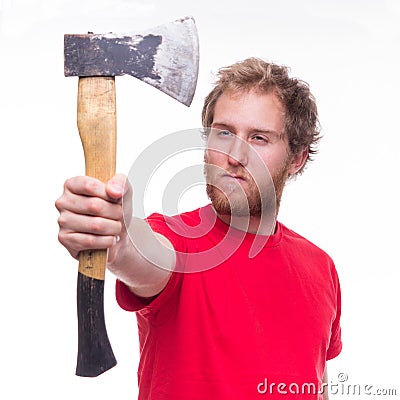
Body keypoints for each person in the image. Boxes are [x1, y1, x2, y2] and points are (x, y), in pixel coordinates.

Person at [56, 58, 342, 399]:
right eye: (224, 133)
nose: (234, 155)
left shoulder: (321, 267)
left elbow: (317, 381)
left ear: (296, 157)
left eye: (259, 138)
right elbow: (142, 254)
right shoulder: (177, 240)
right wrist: (115, 235)